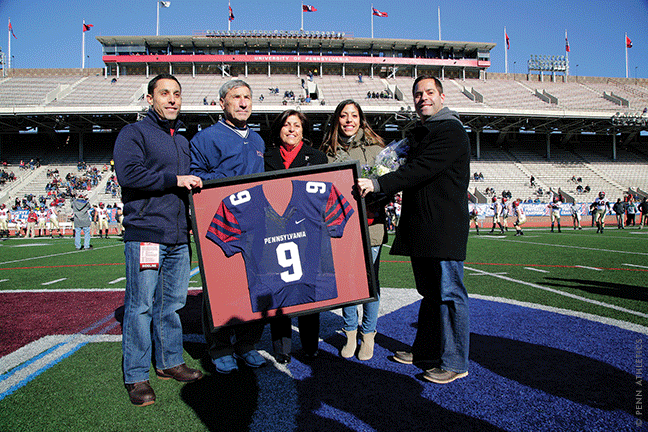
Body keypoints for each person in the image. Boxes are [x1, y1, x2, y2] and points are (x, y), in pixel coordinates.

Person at [357, 75, 470, 384]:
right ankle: (425, 351)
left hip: (443, 228)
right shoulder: (421, 132)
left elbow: (420, 170)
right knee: (431, 294)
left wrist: (379, 182)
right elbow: (403, 167)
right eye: (418, 94)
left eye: (429, 92)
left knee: (449, 294)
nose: (423, 98)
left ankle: (455, 361)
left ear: (442, 97)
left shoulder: (451, 130)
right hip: (422, 226)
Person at [114, 73, 204, 407]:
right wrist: (175, 179)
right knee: (140, 307)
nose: (171, 99)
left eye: (177, 94)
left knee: (172, 305)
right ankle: (136, 374)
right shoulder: (133, 132)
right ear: (150, 98)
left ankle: (169, 361)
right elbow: (129, 174)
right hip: (146, 233)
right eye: (164, 93)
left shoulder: (181, 139)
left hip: (179, 235)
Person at [190, 79, 267, 374]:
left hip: (256, 224)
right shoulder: (206, 138)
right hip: (223, 223)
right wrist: (232, 177)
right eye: (237, 97)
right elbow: (196, 176)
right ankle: (220, 346)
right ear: (222, 103)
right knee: (221, 288)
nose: (244, 102)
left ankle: (247, 344)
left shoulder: (258, 140)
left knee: (257, 285)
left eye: (248, 96)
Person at [321, 99, 387, 361]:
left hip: (371, 226)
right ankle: (349, 331)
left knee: (370, 282)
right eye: (344, 115)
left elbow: (388, 184)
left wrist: (374, 191)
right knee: (348, 282)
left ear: (361, 119)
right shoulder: (327, 151)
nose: (349, 120)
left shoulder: (376, 148)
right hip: (341, 228)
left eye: (354, 115)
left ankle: (368, 333)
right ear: (337, 119)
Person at [264, 109, 328, 364]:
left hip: (307, 234)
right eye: (287, 125)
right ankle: (282, 348)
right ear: (279, 129)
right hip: (273, 233)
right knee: (279, 290)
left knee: (306, 289)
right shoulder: (265, 157)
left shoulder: (318, 157)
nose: (291, 129)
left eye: (297, 125)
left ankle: (310, 345)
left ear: (304, 130)